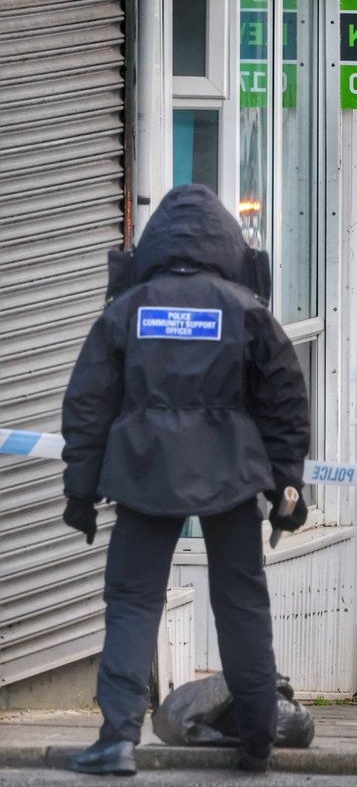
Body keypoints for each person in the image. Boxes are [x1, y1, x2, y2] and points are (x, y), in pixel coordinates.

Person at [59, 185, 310, 776]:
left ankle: (118, 738)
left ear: (155, 244)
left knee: (132, 603)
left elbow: (89, 405)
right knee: (242, 604)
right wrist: (286, 486)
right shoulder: (246, 310)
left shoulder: (128, 309)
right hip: (232, 473)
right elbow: (284, 402)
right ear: (226, 244)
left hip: (144, 473)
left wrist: (80, 488)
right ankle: (256, 740)